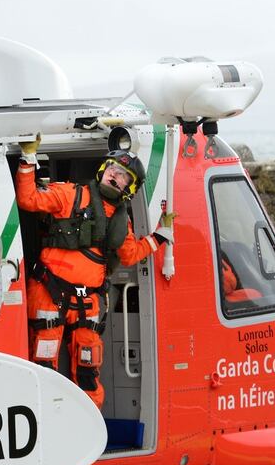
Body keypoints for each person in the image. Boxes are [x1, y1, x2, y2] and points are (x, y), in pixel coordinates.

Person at [16, 134, 173, 409]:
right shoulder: (69, 194)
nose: (115, 176)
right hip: (49, 295)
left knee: (88, 371)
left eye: (122, 176)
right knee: (44, 368)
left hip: (87, 303)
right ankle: (44, 426)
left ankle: (89, 428)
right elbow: (28, 199)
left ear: (130, 187)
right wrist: (28, 158)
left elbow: (130, 255)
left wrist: (160, 237)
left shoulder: (119, 221)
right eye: (112, 169)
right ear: (103, 170)